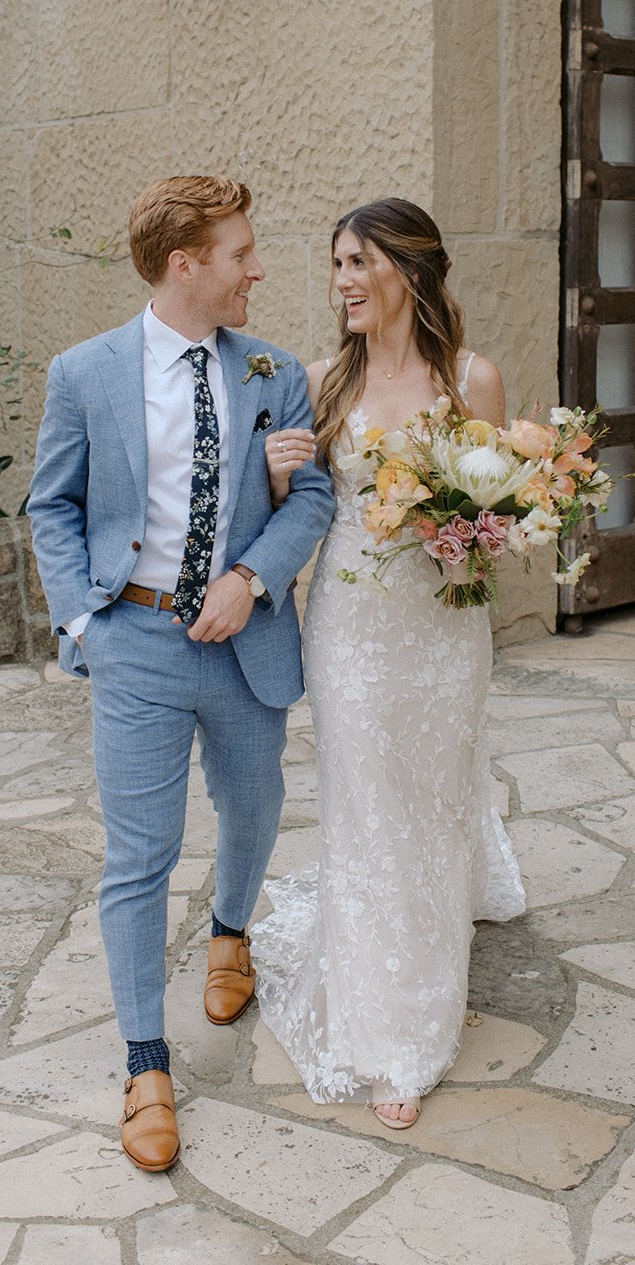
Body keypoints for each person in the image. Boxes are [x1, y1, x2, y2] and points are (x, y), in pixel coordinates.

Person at [27, 175, 334, 1173]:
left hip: (244, 645)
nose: (257, 268)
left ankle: (231, 934)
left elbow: (311, 497)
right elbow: (53, 507)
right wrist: (83, 619)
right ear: (183, 264)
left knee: (252, 810)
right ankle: (144, 1063)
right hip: (137, 646)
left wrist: (251, 578)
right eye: (241, 252)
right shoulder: (83, 373)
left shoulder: (273, 372)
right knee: (138, 857)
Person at [252, 197, 527, 1130]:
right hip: (352, 629)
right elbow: (297, 510)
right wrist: (281, 472)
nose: (341, 282)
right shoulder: (324, 381)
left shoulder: (470, 381)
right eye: (335, 265)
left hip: (445, 629)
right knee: (369, 808)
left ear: (407, 270)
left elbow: (497, 519)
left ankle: (450, 908)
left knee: (436, 793)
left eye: (357, 263)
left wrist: (466, 536)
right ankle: (392, 1032)